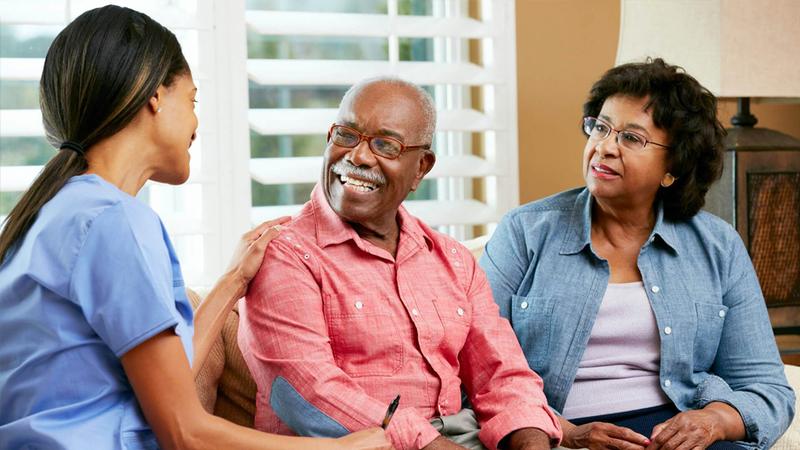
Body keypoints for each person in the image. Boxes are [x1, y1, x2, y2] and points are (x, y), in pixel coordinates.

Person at [0, 6, 391, 450]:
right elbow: (185, 432)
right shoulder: (114, 222)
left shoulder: (46, 215)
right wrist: (340, 448)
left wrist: (232, 282)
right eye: (192, 100)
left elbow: (167, 389)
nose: (196, 124)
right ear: (154, 96)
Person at [479, 58, 795, 450]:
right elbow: (476, 369)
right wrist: (566, 433)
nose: (604, 147)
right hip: (556, 429)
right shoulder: (524, 232)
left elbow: (766, 388)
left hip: (674, 432)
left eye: (632, 138)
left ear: (673, 168)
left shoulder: (718, 246)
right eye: (601, 126)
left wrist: (713, 420)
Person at [237, 77, 562, 450]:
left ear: (421, 167)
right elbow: (306, 394)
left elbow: (503, 375)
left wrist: (531, 442)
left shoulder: (453, 260)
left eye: (385, 145)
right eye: (346, 135)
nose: (358, 156)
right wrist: (432, 444)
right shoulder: (285, 255)